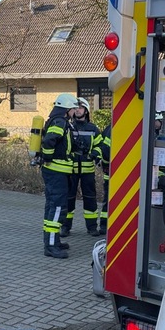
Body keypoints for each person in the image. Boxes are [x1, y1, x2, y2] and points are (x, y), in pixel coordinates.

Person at [40, 93, 80, 259]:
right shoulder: (60, 122)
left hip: (56, 172)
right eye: (73, 109)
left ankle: (53, 241)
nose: (74, 112)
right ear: (67, 109)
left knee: (52, 206)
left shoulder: (59, 121)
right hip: (56, 172)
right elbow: (49, 142)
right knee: (56, 208)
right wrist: (48, 157)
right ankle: (50, 246)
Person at [62, 97, 103, 237]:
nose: (78, 110)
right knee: (68, 199)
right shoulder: (67, 127)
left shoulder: (93, 129)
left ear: (86, 110)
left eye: (80, 107)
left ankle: (92, 227)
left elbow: (100, 146)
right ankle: (65, 227)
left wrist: (94, 154)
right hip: (70, 169)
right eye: (76, 108)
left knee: (90, 199)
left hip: (87, 170)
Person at [97, 123, 111, 235]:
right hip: (112, 172)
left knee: (108, 200)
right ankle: (104, 225)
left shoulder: (108, 128)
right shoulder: (113, 129)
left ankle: (104, 225)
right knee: (109, 200)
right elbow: (105, 150)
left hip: (109, 171)